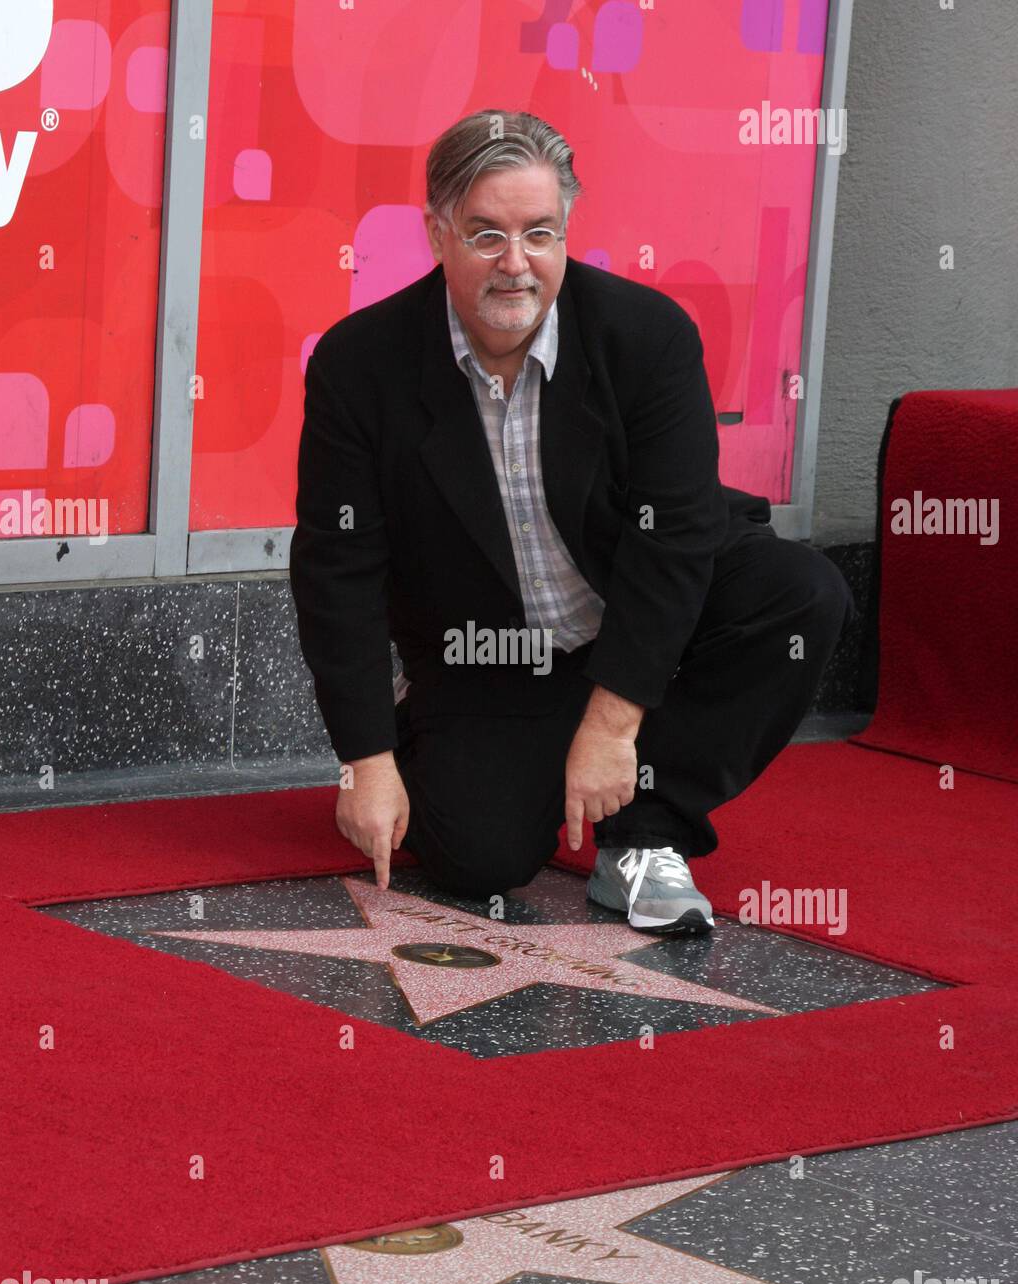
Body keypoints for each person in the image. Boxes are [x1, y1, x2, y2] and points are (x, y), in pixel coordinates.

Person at [290, 109, 855, 937]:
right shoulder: (358, 364)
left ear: (565, 233)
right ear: (436, 233)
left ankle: (646, 833)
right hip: (491, 650)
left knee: (801, 594)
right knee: (474, 856)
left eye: (539, 233)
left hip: (639, 610)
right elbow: (336, 571)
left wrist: (615, 721)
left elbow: (677, 538)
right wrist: (366, 762)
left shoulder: (648, 337)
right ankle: (461, 744)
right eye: (485, 235)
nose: (515, 265)